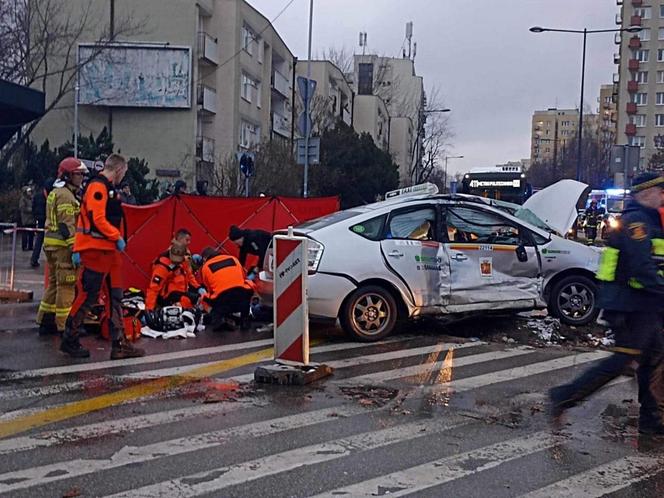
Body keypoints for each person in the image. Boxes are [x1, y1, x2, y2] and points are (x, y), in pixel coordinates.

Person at [549, 172, 664, 435]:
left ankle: (652, 419)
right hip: (628, 307)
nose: (662, 196)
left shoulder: (646, 221)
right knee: (623, 361)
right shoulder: (637, 224)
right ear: (646, 193)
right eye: (660, 191)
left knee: (654, 359)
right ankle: (564, 396)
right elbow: (642, 269)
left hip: (641, 306)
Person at [61, 153, 145, 359]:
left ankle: (119, 344)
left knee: (115, 297)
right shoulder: (98, 187)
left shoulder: (107, 188)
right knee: (89, 295)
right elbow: (97, 218)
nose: (123, 176)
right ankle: (69, 339)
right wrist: (116, 236)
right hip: (97, 251)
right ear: (118, 169)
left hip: (108, 251)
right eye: (123, 172)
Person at [36, 160, 87, 336]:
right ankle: (64, 325)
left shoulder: (56, 192)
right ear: (68, 175)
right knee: (66, 285)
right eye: (78, 174)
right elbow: (67, 226)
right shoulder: (66, 195)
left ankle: (45, 319)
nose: (82, 177)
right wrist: (75, 249)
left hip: (51, 246)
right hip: (63, 247)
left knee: (54, 285)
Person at [199, 246, 255, 331]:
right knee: (248, 286)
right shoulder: (233, 258)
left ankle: (217, 319)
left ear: (205, 258)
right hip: (241, 295)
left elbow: (209, 288)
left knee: (204, 298)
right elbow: (243, 277)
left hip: (222, 300)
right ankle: (245, 319)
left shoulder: (205, 267)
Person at [145, 240, 204, 313]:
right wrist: (149, 311)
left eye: (188, 255)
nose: (187, 257)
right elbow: (153, 289)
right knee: (187, 300)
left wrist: (198, 287)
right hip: (169, 297)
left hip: (180, 295)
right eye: (185, 255)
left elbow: (189, 276)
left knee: (195, 299)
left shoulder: (182, 263)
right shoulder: (163, 267)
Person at [30, 179, 51, 268]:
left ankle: (34, 259)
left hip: (41, 220)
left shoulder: (37, 195)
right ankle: (35, 259)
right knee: (41, 240)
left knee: (39, 240)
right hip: (44, 220)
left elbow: (33, 207)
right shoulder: (45, 197)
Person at [19, 185, 34, 251]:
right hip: (26, 219)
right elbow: (22, 208)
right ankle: (24, 246)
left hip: (32, 219)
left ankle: (30, 246)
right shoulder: (23, 199)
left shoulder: (31, 199)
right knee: (25, 234)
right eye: (28, 191)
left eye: (30, 191)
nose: (30, 193)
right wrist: (31, 209)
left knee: (31, 234)